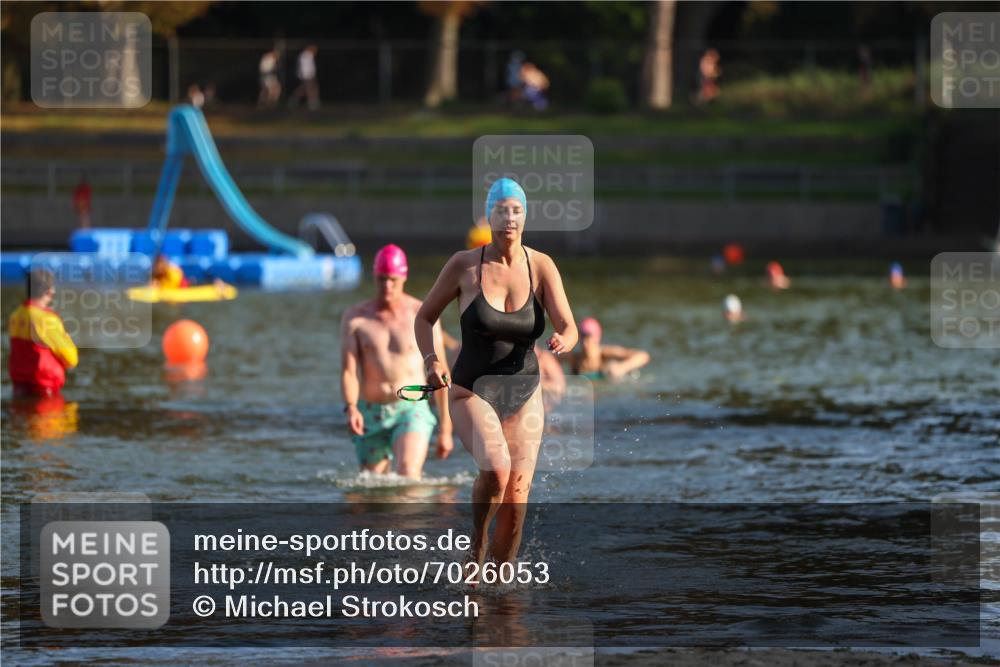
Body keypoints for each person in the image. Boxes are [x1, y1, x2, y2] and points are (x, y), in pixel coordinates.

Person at [415, 177, 577, 568]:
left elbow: (568, 325)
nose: (509, 217)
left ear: (525, 216)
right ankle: (476, 548)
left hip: (524, 392)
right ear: (489, 216)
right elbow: (424, 318)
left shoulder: (540, 266)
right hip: (471, 390)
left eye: (516, 210)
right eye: (501, 209)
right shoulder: (464, 265)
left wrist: (565, 338)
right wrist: (431, 359)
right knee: (497, 469)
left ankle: (501, 583)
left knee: (517, 500)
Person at [341, 244, 453, 479]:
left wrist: (446, 428)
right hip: (371, 411)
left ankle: (413, 517)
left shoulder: (422, 313)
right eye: (382, 279)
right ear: (374, 277)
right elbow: (349, 371)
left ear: (403, 277)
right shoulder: (356, 318)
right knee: (374, 486)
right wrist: (351, 407)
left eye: (392, 279)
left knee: (408, 473)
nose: (387, 286)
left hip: (412, 408)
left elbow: (440, 372)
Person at [8, 269, 79, 397]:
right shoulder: (47, 320)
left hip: (19, 388)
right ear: (49, 291)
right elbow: (71, 358)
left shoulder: (16, 315)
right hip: (44, 390)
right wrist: (67, 339)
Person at [570, 317, 650, 381]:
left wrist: (622, 367)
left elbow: (643, 356)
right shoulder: (575, 358)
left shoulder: (605, 353)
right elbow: (557, 359)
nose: (585, 341)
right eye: (582, 336)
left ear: (597, 337)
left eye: (588, 336)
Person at [289, 45, 320, 110]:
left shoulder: (310, 56)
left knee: (305, 89)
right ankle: (312, 102)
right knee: (309, 89)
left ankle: (294, 100)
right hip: (306, 75)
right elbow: (303, 67)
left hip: (310, 75)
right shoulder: (304, 56)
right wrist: (305, 75)